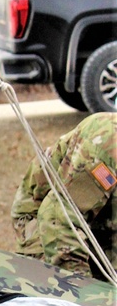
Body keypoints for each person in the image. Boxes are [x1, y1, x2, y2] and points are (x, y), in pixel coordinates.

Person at [11, 113, 116, 278]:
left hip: (103, 224)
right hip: (47, 222)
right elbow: (59, 219)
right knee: (80, 294)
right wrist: (82, 291)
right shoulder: (108, 142)